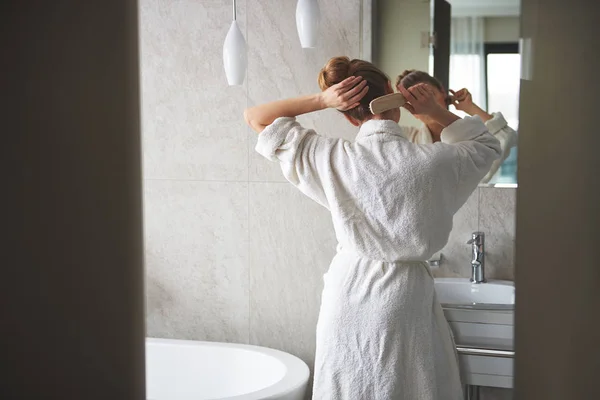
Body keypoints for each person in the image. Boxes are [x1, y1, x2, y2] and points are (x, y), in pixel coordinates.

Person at [244, 56, 501, 400]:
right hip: (405, 298)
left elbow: (256, 118)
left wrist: (322, 100)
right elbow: (487, 145)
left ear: (348, 115)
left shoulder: (332, 156)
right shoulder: (434, 161)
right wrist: (435, 111)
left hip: (347, 296)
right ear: (397, 106)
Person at [396, 70, 517, 183]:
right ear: (412, 112)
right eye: (415, 101)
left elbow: (506, 138)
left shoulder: (470, 134)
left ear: (442, 92)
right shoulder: (407, 138)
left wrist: (470, 107)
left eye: (429, 95)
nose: (424, 103)